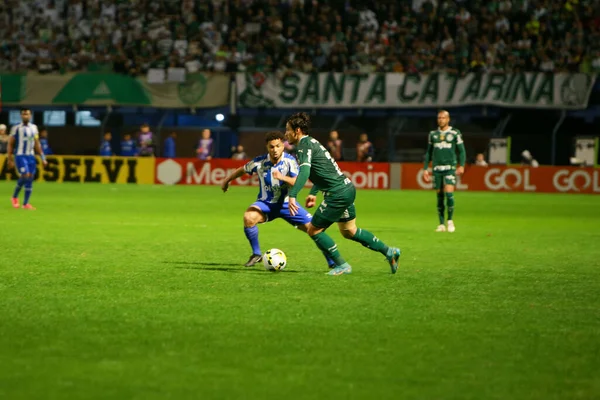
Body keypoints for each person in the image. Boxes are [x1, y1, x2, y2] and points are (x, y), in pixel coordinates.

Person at [285, 112, 401, 276]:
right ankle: (389, 251)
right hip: (346, 188)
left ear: (297, 131)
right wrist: (314, 192)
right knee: (349, 231)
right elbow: (323, 171)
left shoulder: (303, 145)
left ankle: (342, 265)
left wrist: (292, 195)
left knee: (313, 230)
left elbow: (305, 171)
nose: (285, 134)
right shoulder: (312, 142)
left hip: (336, 194)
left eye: (287, 130)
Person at [221, 131, 335, 268]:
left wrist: (282, 177)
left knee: (315, 229)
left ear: (283, 146)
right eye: (271, 147)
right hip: (265, 204)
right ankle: (256, 254)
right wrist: (227, 180)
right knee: (249, 217)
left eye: (278, 146)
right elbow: (243, 169)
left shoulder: (290, 161)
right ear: (267, 147)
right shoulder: (259, 162)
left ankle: (332, 262)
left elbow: (297, 181)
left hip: (288, 205)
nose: (275, 150)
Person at [423, 110, 466, 233]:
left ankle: (450, 221)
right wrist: (426, 168)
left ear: (448, 119)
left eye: (443, 118)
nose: (441, 120)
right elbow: (429, 152)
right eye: (439, 118)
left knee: (449, 194)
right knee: (439, 196)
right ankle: (441, 224)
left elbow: (462, 151)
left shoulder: (454, 133)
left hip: (450, 168)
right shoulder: (433, 134)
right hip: (437, 169)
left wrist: (461, 165)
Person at [7, 108, 48, 210]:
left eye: (28, 114)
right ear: (21, 116)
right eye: (24, 114)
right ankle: (14, 196)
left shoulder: (34, 128)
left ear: (30, 116)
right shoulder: (16, 128)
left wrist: (43, 157)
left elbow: (37, 144)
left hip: (31, 156)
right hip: (20, 155)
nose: (26, 116)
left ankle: (26, 204)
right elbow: (10, 144)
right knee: (25, 175)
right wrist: (10, 158)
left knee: (30, 177)